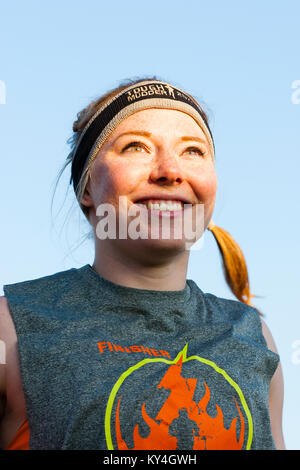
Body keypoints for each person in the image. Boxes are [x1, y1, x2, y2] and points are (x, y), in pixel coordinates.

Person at [0, 77, 285, 450]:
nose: (169, 170)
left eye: (193, 151)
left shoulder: (254, 335)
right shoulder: (13, 326)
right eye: (136, 146)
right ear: (87, 188)